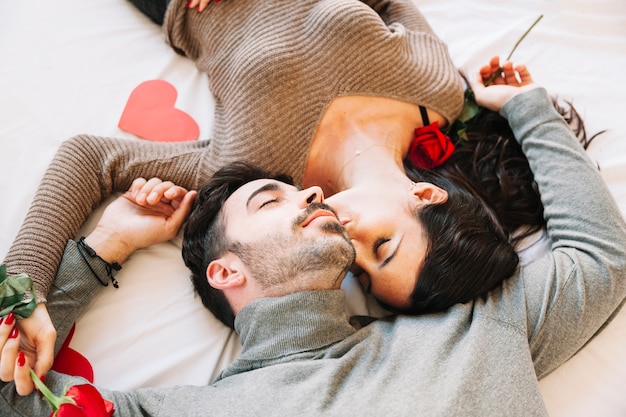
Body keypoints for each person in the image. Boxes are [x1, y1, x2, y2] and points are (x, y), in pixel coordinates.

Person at [0, 0, 579, 385]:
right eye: (382, 247)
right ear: (427, 199)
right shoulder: (441, 97)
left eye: (362, 275)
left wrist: (21, 295)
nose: (348, 249)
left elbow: (89, 158)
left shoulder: (265, 188)